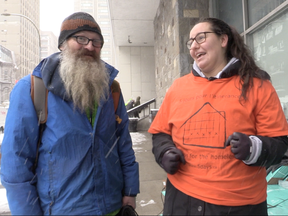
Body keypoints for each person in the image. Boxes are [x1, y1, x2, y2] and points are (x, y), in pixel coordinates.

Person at [1, 12, 139, 215]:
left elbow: (123, 145)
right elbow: (15, 165)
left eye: (96, 41)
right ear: (63, 44)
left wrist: (130, 192)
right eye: (81, 38)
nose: (90, 46)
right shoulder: (32, 89)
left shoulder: (111, 89)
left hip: (112, 207)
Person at [148, 17, 288, 215]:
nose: (194, 46)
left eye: (201, 37)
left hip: (238, 205)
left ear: (223, 40)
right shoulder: (178, 87)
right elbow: (160, 132)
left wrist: (254, 147)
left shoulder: (258, 85)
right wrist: (164, 152)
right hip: (180, 198)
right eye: (191, 42)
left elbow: (280, 143)